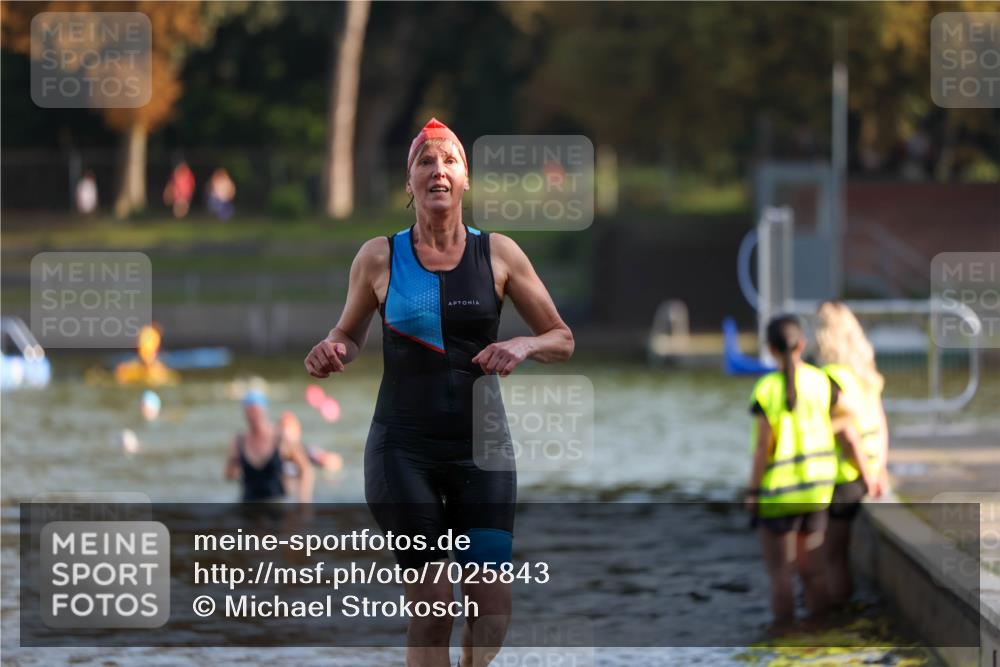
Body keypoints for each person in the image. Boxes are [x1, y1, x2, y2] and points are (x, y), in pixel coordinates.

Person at [304, 118, 574, 667]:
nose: (438, 171)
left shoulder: (499, 254)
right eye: (426, 162)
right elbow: (348, 335)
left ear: (466, 179)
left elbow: (562, 338)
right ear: (410, 183)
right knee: (433, 606)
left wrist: (523, 345)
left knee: (492, 605)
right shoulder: (379, 258)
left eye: (449, 160)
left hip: (483, 451)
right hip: (403, 450)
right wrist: (330, 350)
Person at [745, 315, 873, 634]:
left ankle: (785, 639)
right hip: (817, 490)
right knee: (814, 572)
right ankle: (819, 635)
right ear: (802, 344)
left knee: (781, 575)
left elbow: (764, 448)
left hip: (778, 494)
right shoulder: (821, 381)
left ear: (770, 349)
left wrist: (752, 492)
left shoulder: (767, 389)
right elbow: (849, 420)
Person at [815, 300, 889, 606]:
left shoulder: (830, 377)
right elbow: (881, 425)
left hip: (845, 476)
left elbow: (847, 434)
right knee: (838, 556)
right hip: (865, 472)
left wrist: (864, 473)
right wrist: (878, 468)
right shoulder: (865, 375)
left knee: (831, 556)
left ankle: (835, 616)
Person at [225, 391, 314, 503]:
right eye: (250, 411)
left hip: (278, 502)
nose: (253, 416)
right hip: (249, 503)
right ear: (245, 414)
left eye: (256, 411)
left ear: (264, 411)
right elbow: (229, 476)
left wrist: (304, 502)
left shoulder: (280, 438)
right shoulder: (238, 441)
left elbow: (306, 469)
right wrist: (233, 462)